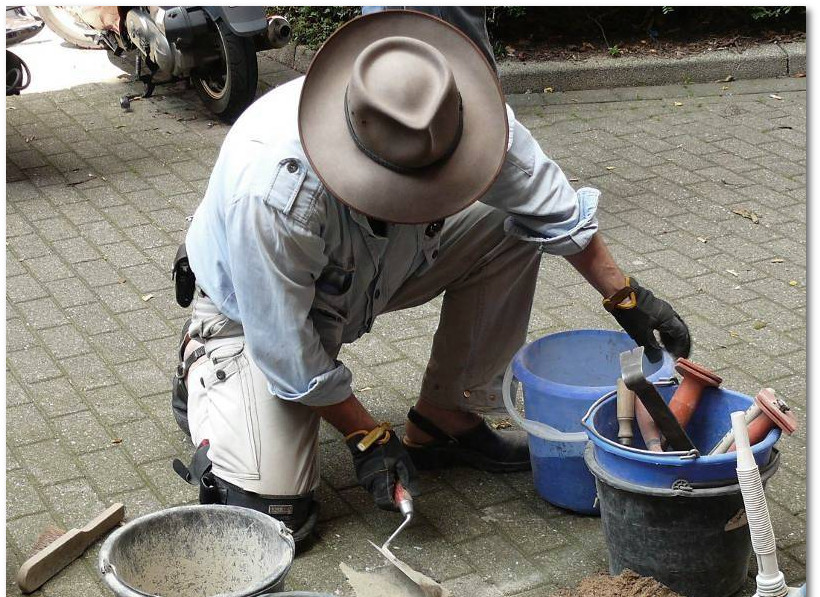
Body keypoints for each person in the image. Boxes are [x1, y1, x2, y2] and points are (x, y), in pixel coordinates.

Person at [171, 9, 690, 547]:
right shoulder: (276, 195)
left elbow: (549, 206)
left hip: (371, 268)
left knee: (510, 226)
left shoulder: (449, 107)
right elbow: (286, 348)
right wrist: (365, 435)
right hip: (252, 316)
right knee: (273, 513)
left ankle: (446, 418)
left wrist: (626, 297)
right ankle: (201, 366)